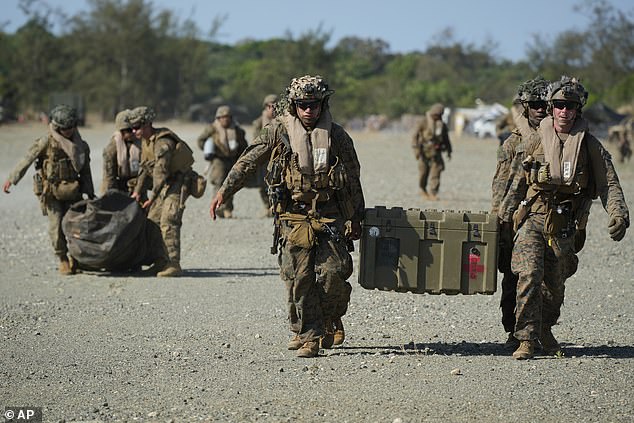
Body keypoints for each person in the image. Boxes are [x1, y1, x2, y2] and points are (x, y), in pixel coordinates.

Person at [209, 75, 365, 358]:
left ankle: (330, 318)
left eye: (314, 104)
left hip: (329, 216)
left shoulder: (337, 136)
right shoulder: (277, 131)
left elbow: (353, 177)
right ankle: (309, 336)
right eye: (303, 105)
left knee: (333, 275)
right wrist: (224, 192)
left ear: (323, 104)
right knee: (299, 279)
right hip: (293, 217)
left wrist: (357, 217)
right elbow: (248, 161)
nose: (309, 111)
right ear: (293, 105)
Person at [499, 76, 629, 360]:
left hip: (564, 226)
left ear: (578, 110)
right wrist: (502, 219)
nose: (564, 112)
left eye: (570, 106)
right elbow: (516, 182)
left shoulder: (589, 146)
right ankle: (526, 339)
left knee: (555, 287)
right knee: (529, 274)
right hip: (533, 218)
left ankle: (545, 328)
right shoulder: (535, 140)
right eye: (558, 105)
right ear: (551, 107)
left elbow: (609, 183)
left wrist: (618, 213)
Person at [491, 76, 549, 348]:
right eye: (535, 104)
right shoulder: (513, 144)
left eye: (545, 104)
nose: (541, 109)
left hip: (550, 219)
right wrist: (500, 219)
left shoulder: (563, 138)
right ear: (525, 107)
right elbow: (502, 184)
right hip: (515, 219)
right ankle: (513, 332)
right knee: (513, 277)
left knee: (547, 280)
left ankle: (539, 331)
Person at [3, 104, 95, 275]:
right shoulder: (46, 142)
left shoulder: (80, 145)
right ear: (58, 127)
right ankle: (62, 258)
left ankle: (77, 258)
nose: (69, 131)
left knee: (77, 225)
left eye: (71, 127)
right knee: (56, 226)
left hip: (73, 191)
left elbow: (85, 170)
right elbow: (27, 159)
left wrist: (90, 192)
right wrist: (11, 179)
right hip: (51, 192)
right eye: (65, 128)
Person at [129, 106, 195, 277]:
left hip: (176, 183)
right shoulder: (146, 141)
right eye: (132, 127)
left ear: (147, 124)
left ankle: (173, 263)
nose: (133, 131)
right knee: (153, 220)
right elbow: (145, 169)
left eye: (137, 127)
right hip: (164, 185)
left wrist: (151, 199)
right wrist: (137, 191)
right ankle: (160, 261)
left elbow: (160, 174)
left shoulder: (162, 143)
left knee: (169, 219)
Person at [196, 105, 248, 218]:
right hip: (218, 160)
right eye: (222, 117)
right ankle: (218, 208)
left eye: (227, 117)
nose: (225, 119)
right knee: (218, 183)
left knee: (231, 184)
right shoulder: (212, 129)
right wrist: (208, 150)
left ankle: (228, 209)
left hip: (233, 160)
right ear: (218, 118)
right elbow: (200, 140)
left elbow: (244, 145)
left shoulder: (237, 130)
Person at [412, 103, 452, 200]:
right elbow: (415, 136)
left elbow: (446, 139)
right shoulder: (423, 122)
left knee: (436, 172)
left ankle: (433, 192)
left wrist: (449, 151)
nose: (438, 117)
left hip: (436, 152)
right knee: (423, 172)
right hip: (424, 151)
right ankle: (423, 189)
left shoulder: (442, 125)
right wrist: (416, 150)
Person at [101, 109, 143, 196]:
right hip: (117, 186)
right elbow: (109, 177)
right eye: (129, 130)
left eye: (135, 129)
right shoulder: (112, 148)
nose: (133, 132)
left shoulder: (142, 144)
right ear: (121, 131)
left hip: (137, 186)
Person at [252, 94, 279, 216]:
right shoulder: (259, 122)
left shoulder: (283, 121)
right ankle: (267, 206)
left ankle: (276, 206)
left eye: (275, 106)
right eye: (270, 106)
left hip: (278, 157)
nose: (273, 108)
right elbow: (256, 139)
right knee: (263, 184)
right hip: (264, 158)